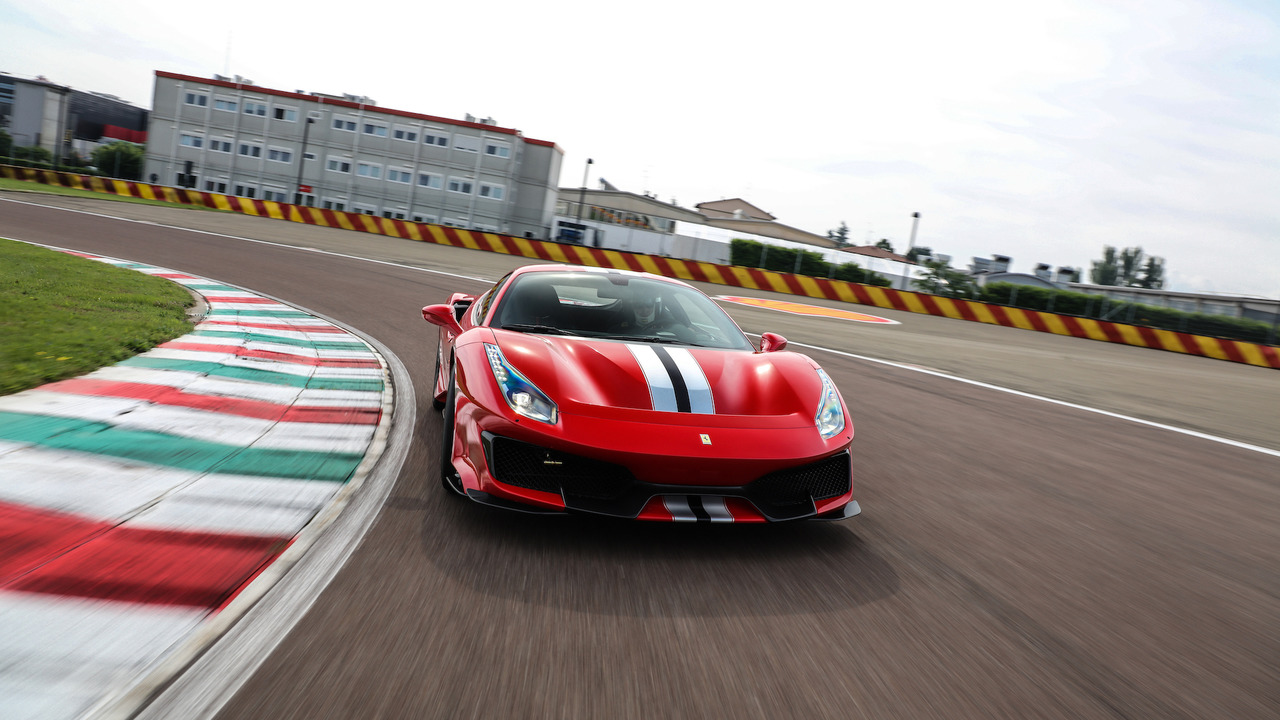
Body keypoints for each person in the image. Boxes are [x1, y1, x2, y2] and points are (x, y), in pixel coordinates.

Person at [611, 284, 694, 341]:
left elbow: (692, 338)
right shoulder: (619, 329)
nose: (644, 310)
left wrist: (689, 332)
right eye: (639, 306)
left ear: (656, 307)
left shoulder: (669, 324)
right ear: (632, 308)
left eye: (648, 305)